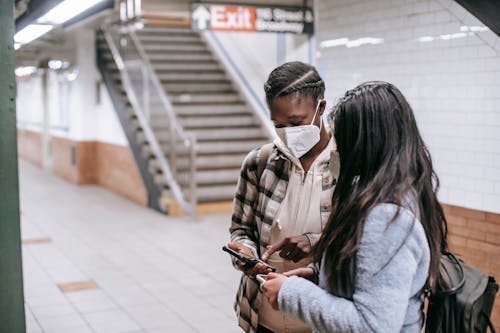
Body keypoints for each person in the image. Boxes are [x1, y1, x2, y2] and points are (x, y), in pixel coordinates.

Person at [261, 81, 448, 333]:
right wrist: (321, 275)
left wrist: (290, 293)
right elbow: (369, 279)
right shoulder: (400, 194)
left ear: (365, 144)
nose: (337, 149)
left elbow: (372, 326)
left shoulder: (387, 218)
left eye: (343, 140)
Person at [227, 61, 339, 333]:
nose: (288, 133)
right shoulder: (259, 163)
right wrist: (246, 253)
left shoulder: (347, 166)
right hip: (263, 316)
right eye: (279, 124)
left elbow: (358, 242)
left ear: (320, 108)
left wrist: (313, 242)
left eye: (296, 122)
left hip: (320, 318)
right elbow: (240, 230)